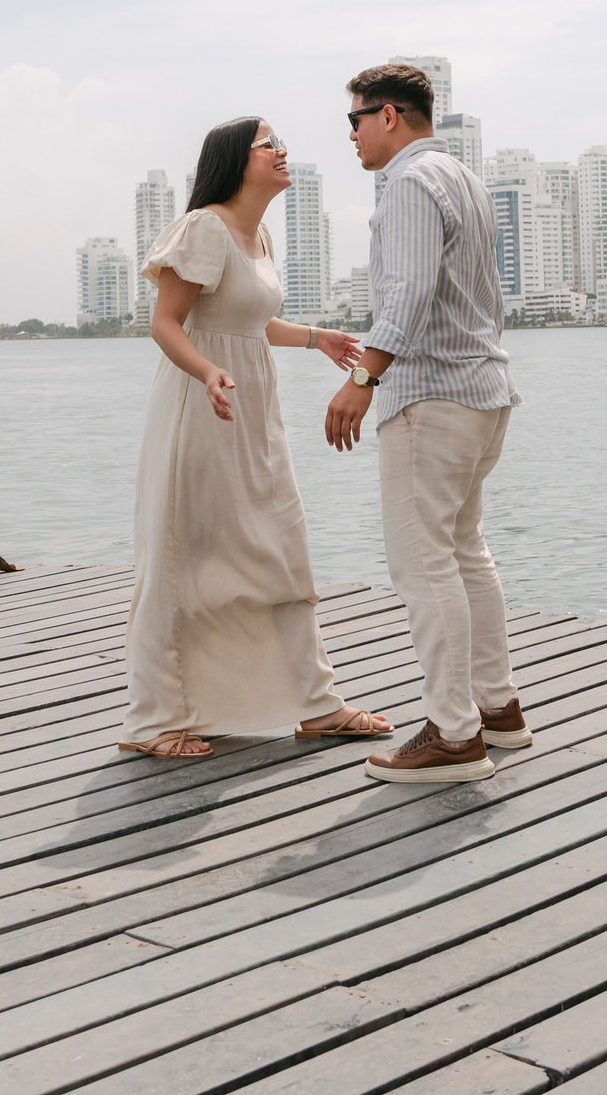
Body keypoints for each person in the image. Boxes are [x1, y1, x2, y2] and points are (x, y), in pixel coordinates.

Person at [118, 116, 395, 759]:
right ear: (233, 161)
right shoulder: (204, 227)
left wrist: (313, 336)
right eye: (268, 143)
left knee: (279, 545)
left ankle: (317, 705)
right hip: (200, 406)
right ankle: (154, 719)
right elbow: (166, 323)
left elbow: (246, 320)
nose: (282, 150)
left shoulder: (260, 233)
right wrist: (209, 371)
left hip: (253, 409)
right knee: (184, 555)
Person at [326, 64, 528, 784]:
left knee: (423, 562)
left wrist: (360, 380)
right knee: (465, 550)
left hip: (431, 396)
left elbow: (407, 293)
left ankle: (452, 731)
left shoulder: (410, 183)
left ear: (389, 116)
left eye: (354, 121)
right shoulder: (464, 178)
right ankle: (496, 707)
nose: (349, 136)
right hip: (483, 388)